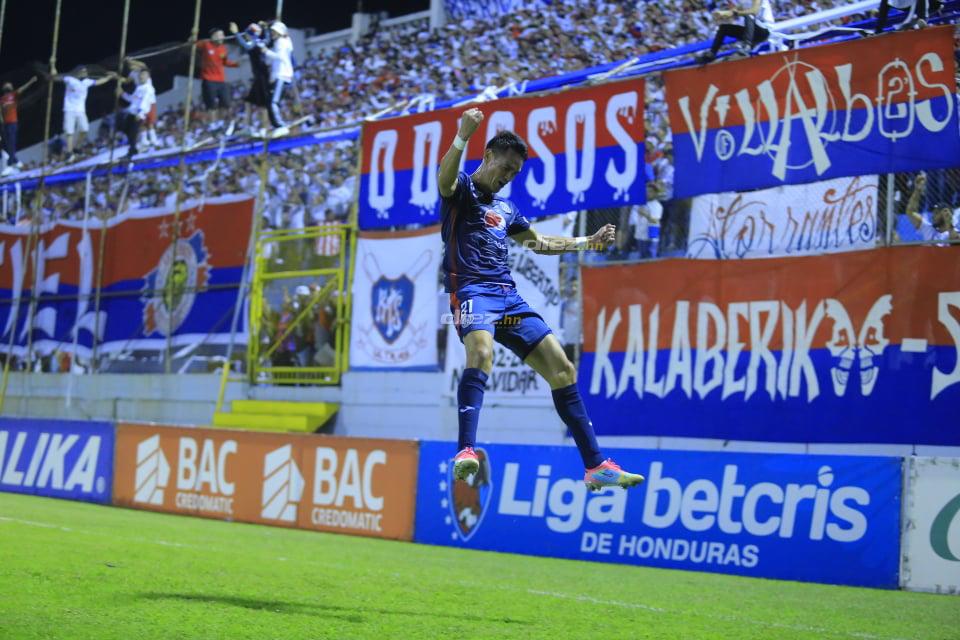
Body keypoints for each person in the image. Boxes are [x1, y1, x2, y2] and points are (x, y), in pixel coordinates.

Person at [439, 107, 645, 491]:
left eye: (514, 174)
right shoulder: (463, 190)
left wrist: (587, 241)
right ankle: (466, 450)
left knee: (563, 369)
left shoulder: (507, 209)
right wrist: (461, 137)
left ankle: (596, 465)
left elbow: (541, 243)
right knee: (481, 353)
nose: (507, 178)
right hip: (470, 292)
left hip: (508, 301)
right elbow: (444, 179)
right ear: (487, 157)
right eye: (505, 168)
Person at [53, 66, 115, 161]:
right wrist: (53, 69)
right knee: (69, 132)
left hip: (80, 110)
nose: (85, 73)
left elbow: (98, 82)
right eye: (83, 71)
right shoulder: (70, 79)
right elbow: (56, 77)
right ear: (78, 72)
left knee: (84, 128)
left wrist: (108, 78)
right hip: (69, 109)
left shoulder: (87, 82)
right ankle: (69, 152)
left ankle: (76, 147)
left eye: (86, 71)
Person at [698, 0, 776, 63]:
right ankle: (712, 53)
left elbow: (754, 11)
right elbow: (734, 11)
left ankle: (746, 46)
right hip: (752, 32)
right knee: (723, 28)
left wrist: (733, 13)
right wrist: (722, 14)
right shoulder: (743, 2)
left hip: (764, 31)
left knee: (749, 14)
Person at [229, 21, 272, 133]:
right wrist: (266, 29)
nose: (246, 36)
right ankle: (247, 127)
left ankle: (264, 128)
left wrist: (236, 33)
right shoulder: (261, 42)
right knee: (248, 101)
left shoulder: (255, 43)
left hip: (262, 77)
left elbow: (245, 45)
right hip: (260, 77)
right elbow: (267, 39)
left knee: (263, 105)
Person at [196, 28, 239, 124]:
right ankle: (213, 125)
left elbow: (224, 62)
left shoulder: (223, 48)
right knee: (211, 106)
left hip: (221, 81)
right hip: (208, 80)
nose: (223, 37)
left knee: (226, 103)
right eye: (220, 35)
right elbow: (192, 43)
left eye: (223, 35)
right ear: (213, 36)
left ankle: (225, 123)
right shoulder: (205, 44)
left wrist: (236, 64)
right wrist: (193, 34)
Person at [903, 173, 960, 244]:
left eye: (936, 213)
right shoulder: (929, 230)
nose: (933, 216)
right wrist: (918, 190)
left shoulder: (954, 231)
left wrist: (949, 224)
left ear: (945, 214)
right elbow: (910, 212)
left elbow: (955, 241)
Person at [259, 21, 294, 136]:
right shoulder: (282, 42)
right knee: (271, 102)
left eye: (274, 32)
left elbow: (279, 57)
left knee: (273, 102)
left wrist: (266, 51)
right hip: (279, 75)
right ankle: (276, 125)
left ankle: (280, 125)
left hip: (282, 75)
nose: (272, 33)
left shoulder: (281, 42)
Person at [1, 77, 38, 176]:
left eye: (10, 85)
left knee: (12, 142)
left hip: (13, 123)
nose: (9, 86)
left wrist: (31, 81)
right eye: (7, 84)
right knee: (7, 145)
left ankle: (9, 165)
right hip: (5, 124)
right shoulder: (1, 99)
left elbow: (23, 88)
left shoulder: (13, 95)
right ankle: (16, 161)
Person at [118, 69, 155, 159]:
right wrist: (122, 94)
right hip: (131, 112)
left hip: (138, 114)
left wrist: (140, 112)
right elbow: (132, 99)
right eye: (141, 75)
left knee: (133, 132)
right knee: (125, 129)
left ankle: (133, 151)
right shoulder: (139, 88)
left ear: (148, 77)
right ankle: (134, 148)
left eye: (144, 75)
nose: (141, 76)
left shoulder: (148, 88)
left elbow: (145, 101)